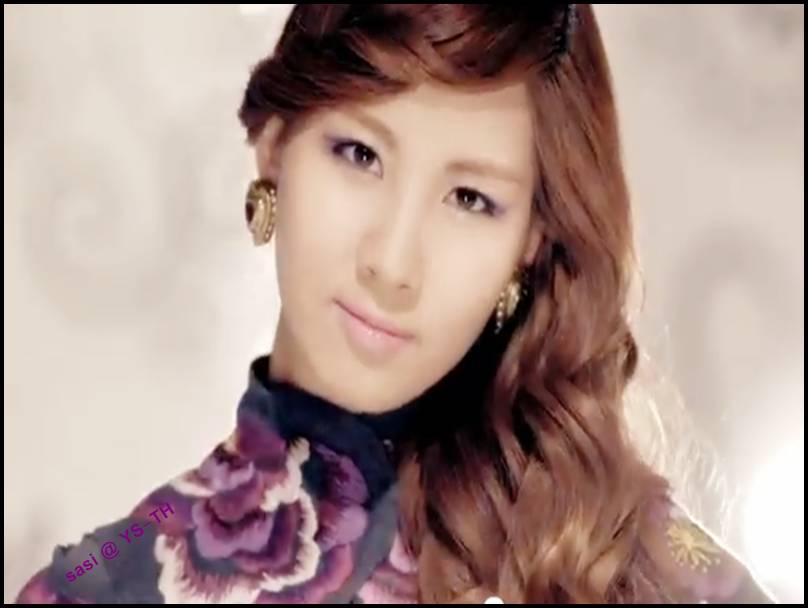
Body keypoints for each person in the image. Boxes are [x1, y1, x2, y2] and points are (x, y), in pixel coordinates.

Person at [16, 4, 774, 603]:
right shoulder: (106, 588)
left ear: (532, 240)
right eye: (360, 154)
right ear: (276, 142)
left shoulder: (619, 554)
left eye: (470, 198)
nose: (392, 263)